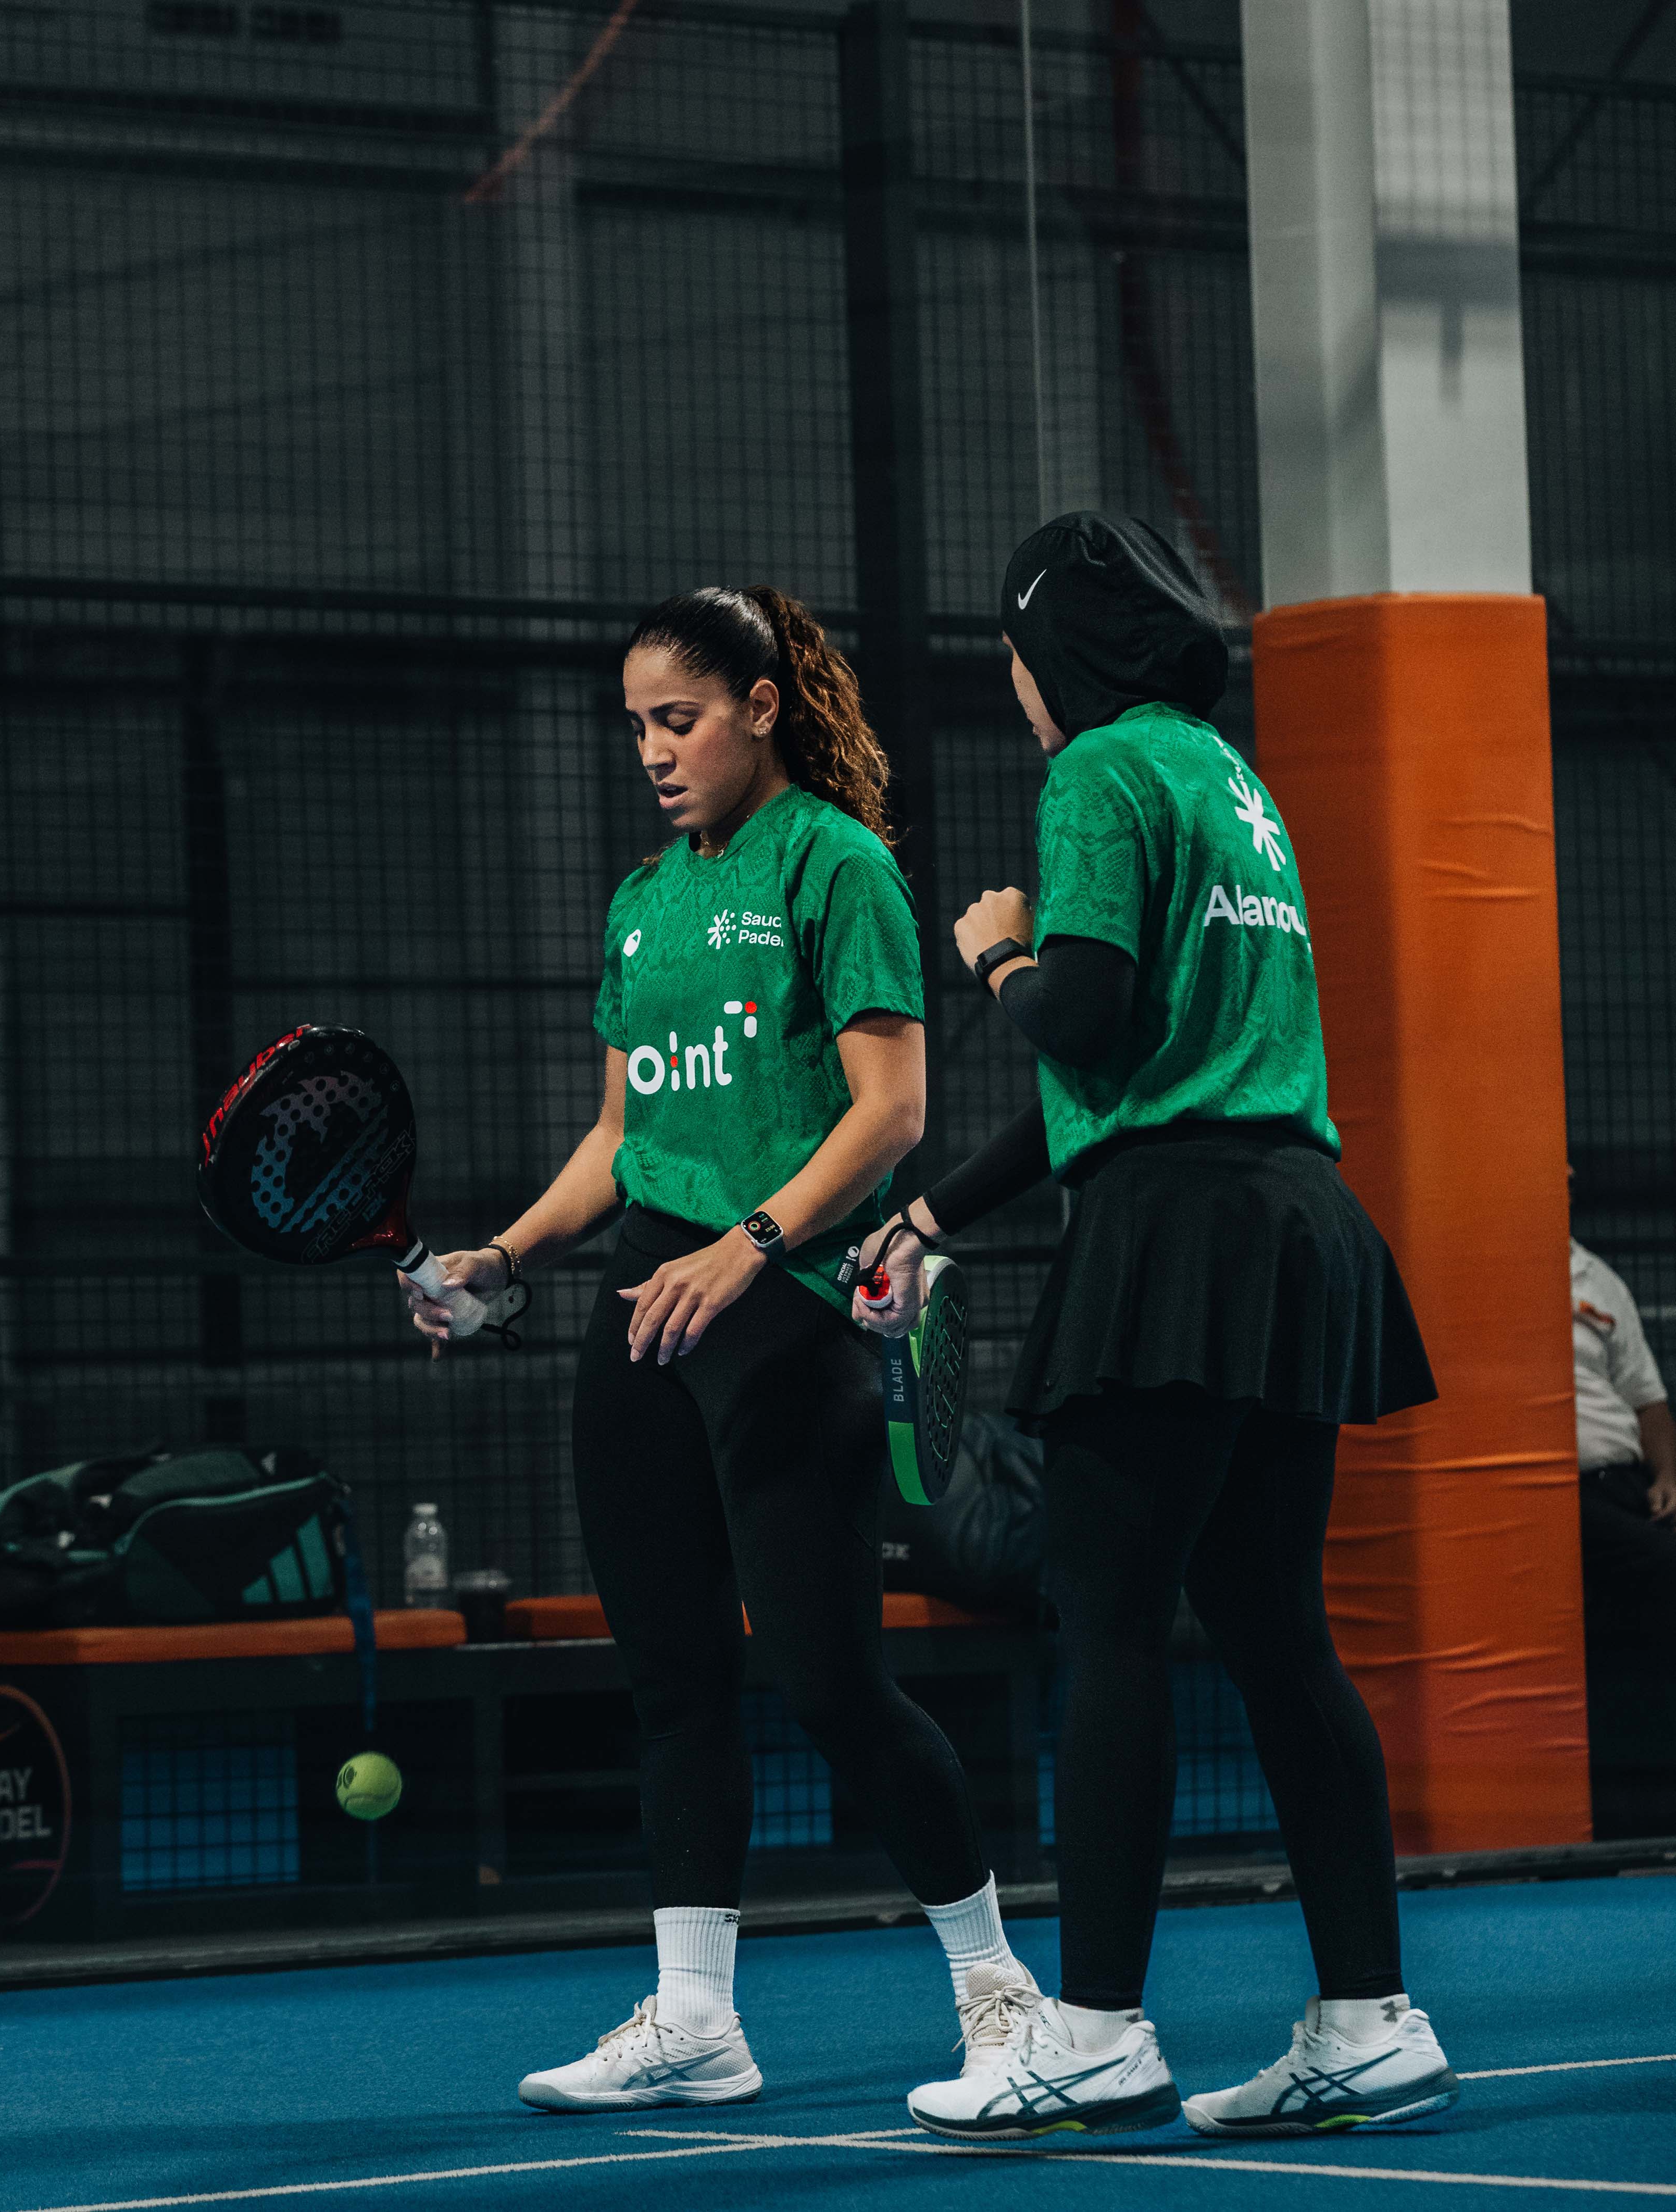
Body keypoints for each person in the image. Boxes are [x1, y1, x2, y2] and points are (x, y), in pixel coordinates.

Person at [855, 513, 1457, 2143]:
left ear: (1055, 652)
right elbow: (1126, 1073)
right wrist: (932, 1211)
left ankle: (1097, 2029)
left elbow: (1085, 1012)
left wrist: (995, 953)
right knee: (1273, 1630)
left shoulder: (1098, 771)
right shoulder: (1223, 777)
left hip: (1174, 1236)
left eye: (1012, 655)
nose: (1012, 685)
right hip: (1291, 1222)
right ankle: (1368, 2015)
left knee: (1107, 1618)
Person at [402, 585, 1033, 2114]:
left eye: (677, 719)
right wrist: (505, 1255)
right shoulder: (640, 901)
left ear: (759, 705)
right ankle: (697, 2017)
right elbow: (620, 1138)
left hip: (785, 1308)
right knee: (672, 1679)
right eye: (635, 726)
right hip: (645, 1309)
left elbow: (891, 1111)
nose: (652, 751)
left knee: (830, 1683)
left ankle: (999, 1990)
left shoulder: (838, 863)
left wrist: (750, 1241)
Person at [1571, 1215, 1676, 1647]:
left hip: (1625, 1481)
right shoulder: (1486, 1270)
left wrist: (1668, 1476)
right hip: (1560, 1489)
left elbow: (1645, 1398)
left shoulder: (1595, 1276)